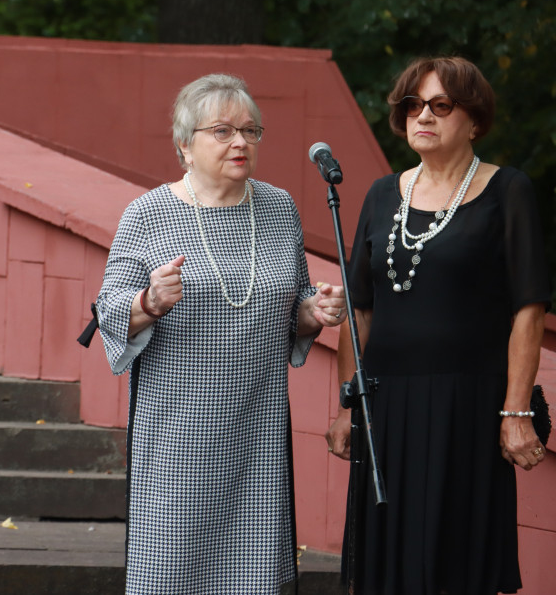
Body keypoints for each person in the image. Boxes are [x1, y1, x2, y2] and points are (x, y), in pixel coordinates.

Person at [95, 73, 346, 594]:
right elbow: (109, 312)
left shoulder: (279, 209)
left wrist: (314, 310)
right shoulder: (148, 213)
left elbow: (290, 311)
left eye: (251, 131)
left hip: (257, 432)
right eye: (223, 131)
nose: (240, 142)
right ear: (184, 145)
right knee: (172, 571)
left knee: (253, 574)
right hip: (177, 438)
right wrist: (148, 302)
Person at [325, 56, 551, 595]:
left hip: (467, 409)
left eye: (441, 105)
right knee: (384, 560)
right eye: (413, 104)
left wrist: (516, 412)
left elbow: (529, 309)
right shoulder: (382, 194)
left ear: (474, 120)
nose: (422, 115)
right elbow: (359, 310)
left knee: (457, 559)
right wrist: (347, 407)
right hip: (387, 408)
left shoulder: (508, 191)